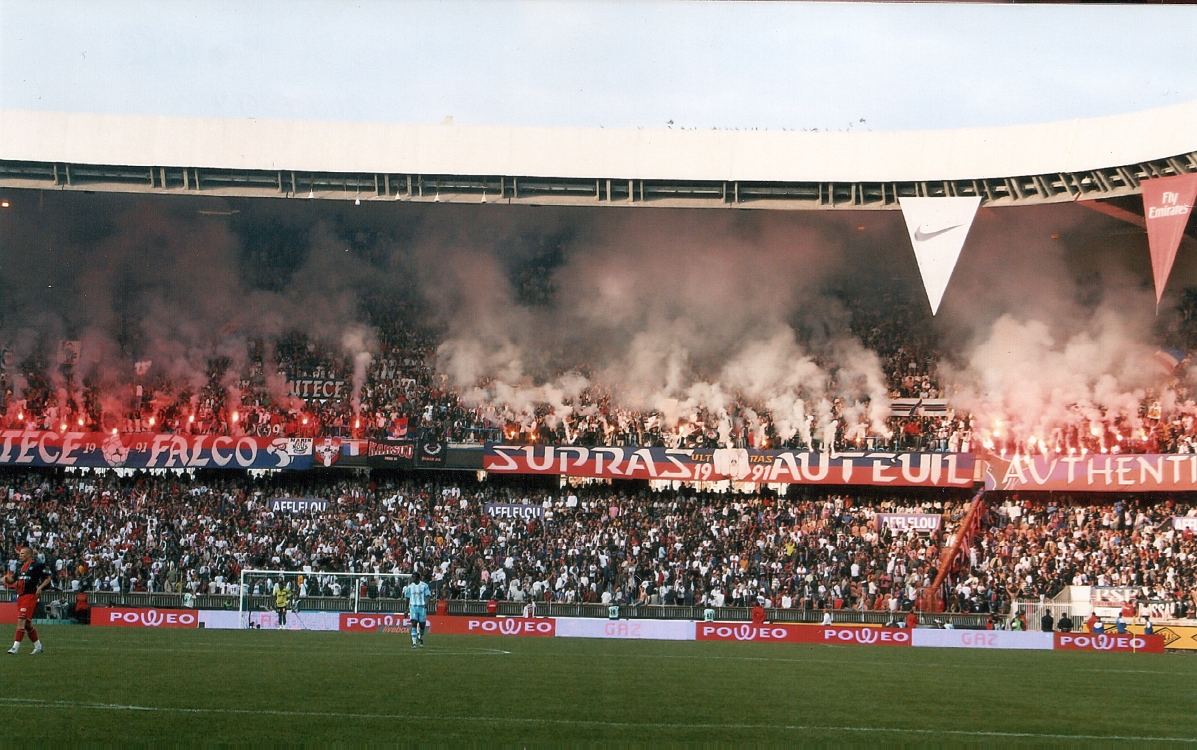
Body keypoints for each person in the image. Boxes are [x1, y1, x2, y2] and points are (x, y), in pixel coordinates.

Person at [6, 546, 51, 654]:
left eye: (22, 553)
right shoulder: (20, 567)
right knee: (27, 624)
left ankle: (15, 648)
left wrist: (40, 588)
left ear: (29, 554)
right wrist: (7, 579)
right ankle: (38, 646)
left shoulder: (36, 565)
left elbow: (48, 578)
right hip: (20, 596)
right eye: (20, 553)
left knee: (21, 620)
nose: (20, 555)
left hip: (30, 596)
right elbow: (13, 580)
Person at [403, 572, 431, 648]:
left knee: (422, 625)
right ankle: (414, 642)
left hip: (422, 607)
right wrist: (406, 610)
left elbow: (428, 596)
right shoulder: (410, 587)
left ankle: (420, 637)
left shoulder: (424, 586)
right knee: (414, 622)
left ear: (418, 578)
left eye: (414, 577)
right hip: (413, 607)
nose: (412, 579)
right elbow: (407, 598)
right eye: (412, 577)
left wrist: (427, 603)